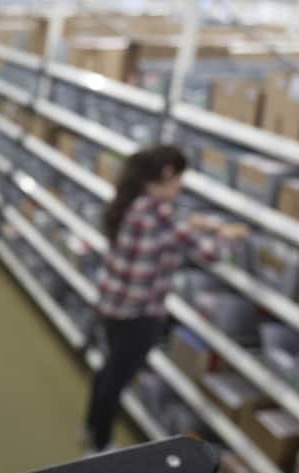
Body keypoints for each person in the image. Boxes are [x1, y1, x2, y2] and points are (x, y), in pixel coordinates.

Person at [84, 145, 247, 453]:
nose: (182, 185)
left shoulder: (134, 201)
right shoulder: (158, 214)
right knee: (116, 380)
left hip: (113, 305)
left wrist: (202, 222)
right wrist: (232, 236)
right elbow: (209, 252)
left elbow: (175, 224)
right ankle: (99, 446)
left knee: (108, 370)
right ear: (168, 173)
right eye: (180, 178)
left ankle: (91, 428)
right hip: (139, 314)